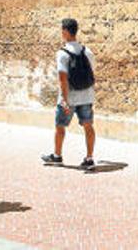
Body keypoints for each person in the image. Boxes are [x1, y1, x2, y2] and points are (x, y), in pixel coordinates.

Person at [41, 18, 97, 168]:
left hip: (70, 96)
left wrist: (65, 100)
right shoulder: (88, 52)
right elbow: (92, 73)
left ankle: (57, 156)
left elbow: (62, 78)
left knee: (60, 126)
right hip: (86, 95)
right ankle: (89, 158)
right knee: (88, 125)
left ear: (65, 31)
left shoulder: (62, 53)